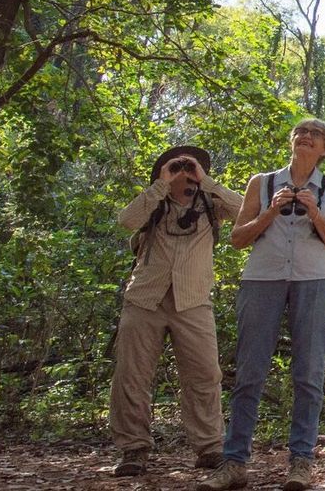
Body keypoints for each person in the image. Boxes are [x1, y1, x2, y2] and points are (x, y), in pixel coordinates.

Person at [195, 118, 325, 491]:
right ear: (292, 142)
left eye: (314, 136)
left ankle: (300, 462)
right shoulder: (262, 183)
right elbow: (237, 239)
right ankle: (234, 464)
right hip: (262, 279)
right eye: (300, 133)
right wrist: (270, 212)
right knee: (249, 373)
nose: (306, 138)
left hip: (314, 281)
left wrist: (314, 212)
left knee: (308, 375)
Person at [110, 146, 243, 477]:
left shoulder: (211, 205)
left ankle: (210, 447)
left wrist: (206, 181)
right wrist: (160, 185)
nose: (183, 171)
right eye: (175, 166)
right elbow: (126, 221)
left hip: (193, 301)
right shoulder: (153, 204)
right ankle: (133, 448)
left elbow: (248, 211)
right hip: (144, 300)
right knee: (132, 374)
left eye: (189, 166)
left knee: (204, 374)